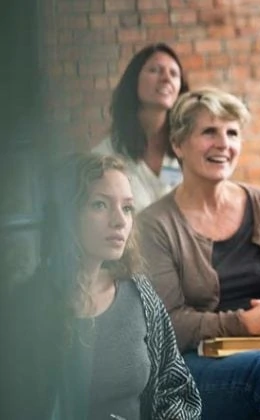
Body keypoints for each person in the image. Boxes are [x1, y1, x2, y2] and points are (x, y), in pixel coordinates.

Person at [137, 87, 260, 418]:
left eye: (232, 133)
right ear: (178, 144)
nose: (223, 144)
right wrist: (243, 323)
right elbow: (168, 323)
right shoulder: (154, 224)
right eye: (209, 132)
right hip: (191, 368)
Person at [12, 153, 201, 419]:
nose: (120, 221)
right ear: (67, 213)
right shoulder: (28, 306)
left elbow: (178, 391)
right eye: (100, 205)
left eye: (126, 208)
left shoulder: (140, 293)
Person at [94, 43, 189, 210]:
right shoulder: (105, 156)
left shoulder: (189, 149)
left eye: (174, 74)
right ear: (134, 80)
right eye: (155, 70)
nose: (166, 78)